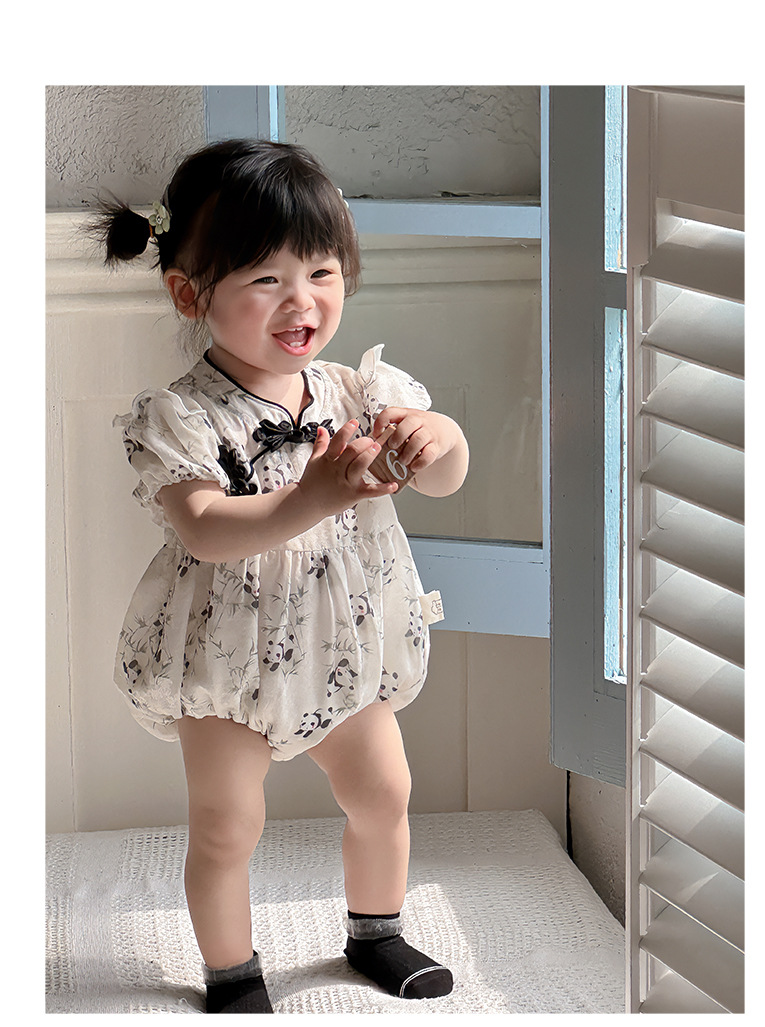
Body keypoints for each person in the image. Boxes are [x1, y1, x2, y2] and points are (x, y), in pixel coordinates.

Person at [95, 139, 469, 1014]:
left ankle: (376, 930)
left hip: (342, 644)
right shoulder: (182, 416)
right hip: (227, 655)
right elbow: (204, 528)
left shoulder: (359, 392)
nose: (302, 301)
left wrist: (439, 439)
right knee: (228, 824)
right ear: (190, 293)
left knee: (385, 790)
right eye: (267, 279)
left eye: (322, 272)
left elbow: (445, 479)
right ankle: (232, 971)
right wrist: (312, 495)